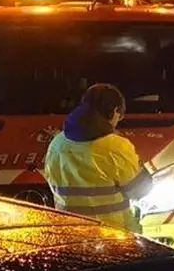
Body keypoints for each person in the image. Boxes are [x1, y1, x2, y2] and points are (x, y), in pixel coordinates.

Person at [42, 84, 152, 232]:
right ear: (115, 111)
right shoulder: (115, 146)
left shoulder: (57, 144)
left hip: (69, 232)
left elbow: (51, 180)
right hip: (112, 234)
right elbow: (139, 190)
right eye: (120, 116)